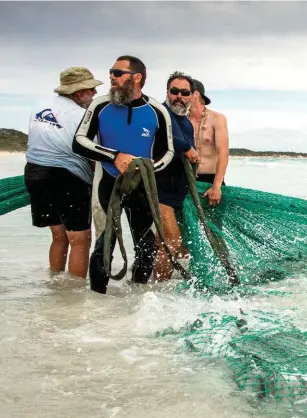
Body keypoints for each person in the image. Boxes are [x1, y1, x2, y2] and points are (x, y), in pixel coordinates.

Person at [72, 55, 175, 294]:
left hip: (143, 187)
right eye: (111, 72)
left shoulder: (157, 111)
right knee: (104, 245)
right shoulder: (100, 105)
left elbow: (167, 152)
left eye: (117, 73)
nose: (111, 77)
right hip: (107, 184)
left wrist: (147, 168)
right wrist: (114, 156)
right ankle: (97, 303)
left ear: (137, 78)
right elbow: (78, 142)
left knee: (145, 246)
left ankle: (136, 301)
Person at [24, 67, 103, 279]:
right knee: (81, 239)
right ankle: (74, 298)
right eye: (90, 90)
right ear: (77, 93)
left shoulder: (40, 106)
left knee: (59, 236)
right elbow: (92, 154)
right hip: (66, 178)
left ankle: (55, 286)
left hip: (34, 173)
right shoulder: (81, 115)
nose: (94, 94)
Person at [153, 71, 200, 281]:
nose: (179, 96)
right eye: (174, 91)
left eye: (184, 92)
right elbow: (164, 134)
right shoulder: (159, 113)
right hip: (159, 190)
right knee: (171, 240)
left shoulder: (187, 122)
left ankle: (152, 287)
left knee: (171, 245)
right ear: (167, 92)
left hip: (178, 193)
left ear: (191, 96)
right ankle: (159, 291)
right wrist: (187, 147)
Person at [188, 79, 229, 206]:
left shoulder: (217, 118)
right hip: (186, 178)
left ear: (196, 94)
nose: (181, 96)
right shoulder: (181, 119)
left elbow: (223, 153)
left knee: (214, 224)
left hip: (211, 178)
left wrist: (217, 186)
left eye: (186, 92)